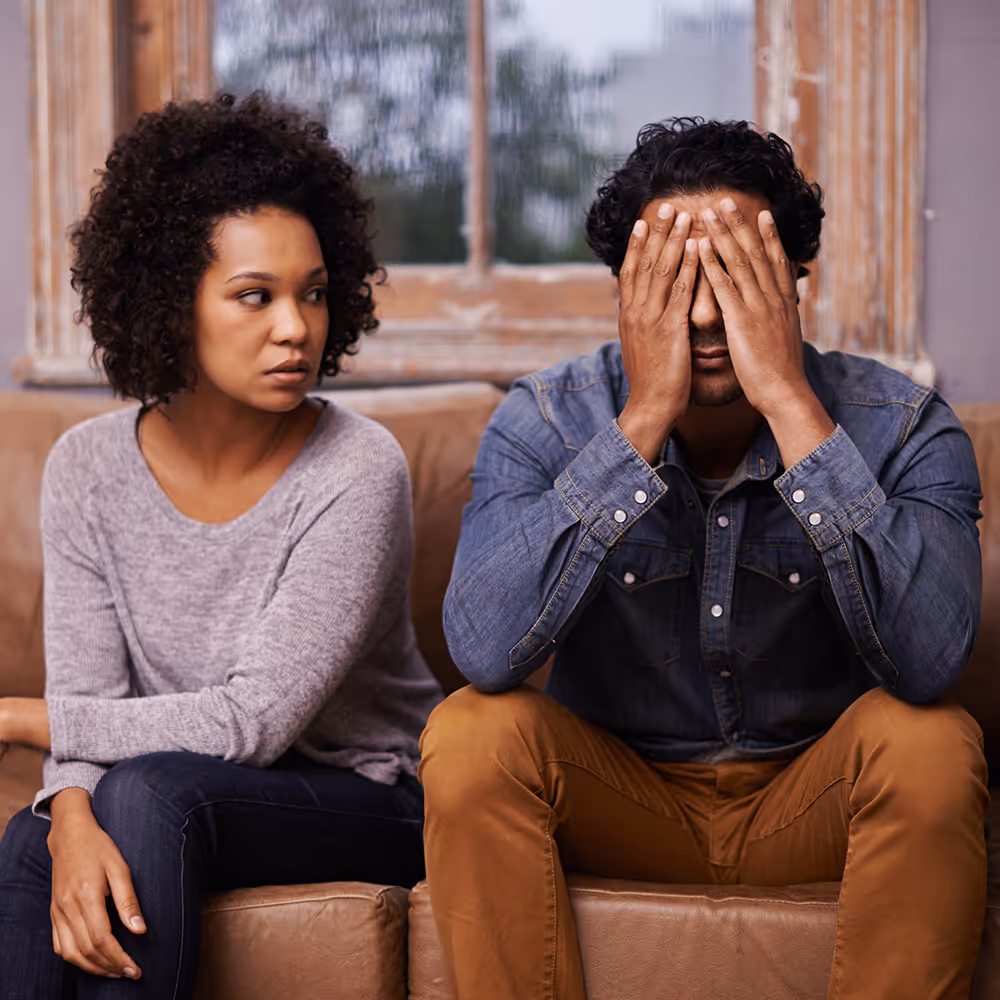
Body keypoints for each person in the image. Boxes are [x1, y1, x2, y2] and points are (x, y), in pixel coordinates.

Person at [420, 118, 987, 1000]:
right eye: (673, 278)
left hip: (813, 798)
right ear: (624, 287)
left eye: (733, 276)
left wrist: (791, 405)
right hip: (623, 796)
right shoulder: (546, 419)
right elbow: (486, 654)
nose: (701, 312)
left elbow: (931, 665)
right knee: (471, 734)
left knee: (932, 741)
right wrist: (643, 416)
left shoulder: (905, 425)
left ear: (794, 279)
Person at [0, 92, 442, 998]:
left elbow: (252, 721)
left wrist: (12, 718)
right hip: (170, 796)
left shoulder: (359, 468)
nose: (296, 328)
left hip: (369, 796)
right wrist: (69, 815)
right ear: (169, 306)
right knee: (32, 841)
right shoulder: (85, 467)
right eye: (255, 296)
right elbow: (92, 697)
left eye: (314, 294)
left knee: (150, 793)